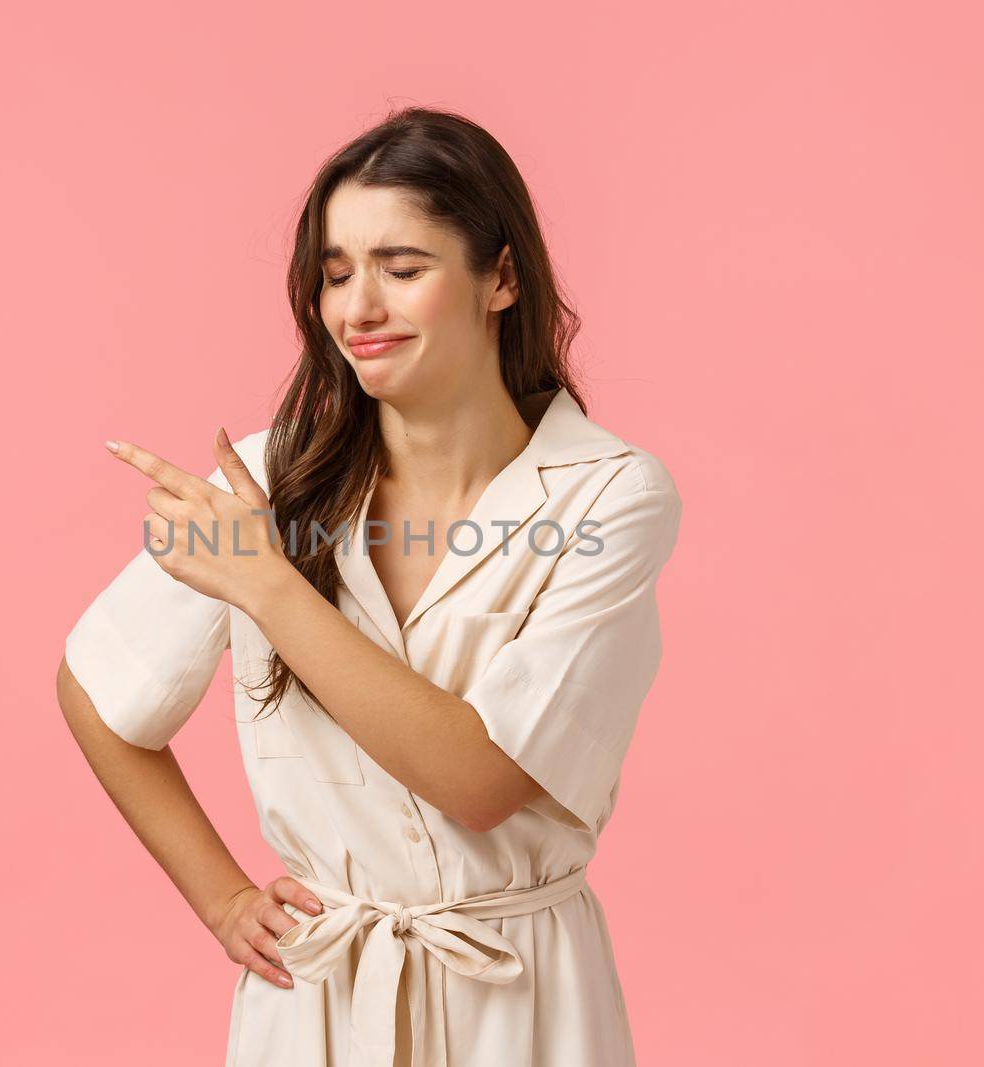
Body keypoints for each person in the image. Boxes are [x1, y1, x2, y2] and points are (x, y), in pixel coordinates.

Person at [56, 106, 683, 1067]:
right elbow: (100, 690)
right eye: (336, 273)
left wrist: (269, 585)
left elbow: (481, 782)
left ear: (501, 277)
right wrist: (223, 899)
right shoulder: (267, 482)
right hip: (318, 1000)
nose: (358, 310)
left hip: (522, 1000)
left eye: (403, 267)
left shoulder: (610, 496)